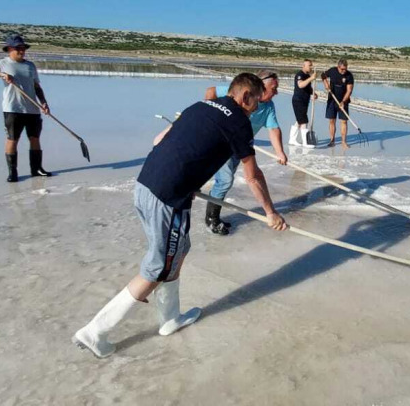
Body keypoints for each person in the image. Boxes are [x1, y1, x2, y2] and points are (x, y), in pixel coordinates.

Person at [72, 73, 287, 359]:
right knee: (157, 268)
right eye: (256, 103)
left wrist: (181, 171)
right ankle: (95, 332)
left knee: (179, 249)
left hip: (146, 183)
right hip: (168, 198)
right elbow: (253, 176)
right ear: (245, 96)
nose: (256, 109)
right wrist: (271, 213)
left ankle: (170, 318)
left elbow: (159, 139)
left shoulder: (200, 106)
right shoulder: (239, 122)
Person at [203, 70, 287, 235]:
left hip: (241, 145)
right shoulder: (240, 91)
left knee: (227, 179)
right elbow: (211, 91)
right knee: (225, 180)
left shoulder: (269, 106)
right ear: (260, 86)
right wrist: (208, 113)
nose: (276, 92)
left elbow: (274, 129)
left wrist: (280, 152)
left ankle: (212, 212)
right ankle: (211, 219)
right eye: (274, 88)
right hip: (223, 141)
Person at [0, 34, 52, 182]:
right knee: (13, 139)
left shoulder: (30, 66)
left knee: (35, 138)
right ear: (10, 49)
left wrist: (44, 102)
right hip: (13, 108)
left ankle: (36, 169)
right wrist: (0, 74)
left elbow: (37, 86)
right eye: (18, 48)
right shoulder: (2, 64)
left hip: (32, 109)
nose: (22, 51)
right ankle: (13, 172)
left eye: (23, 48)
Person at [321, 58, 354, 149]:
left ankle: (344, 142)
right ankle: (332, 140)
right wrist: (326, 84)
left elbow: (349, 90)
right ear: (338, 67)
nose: (344, 71)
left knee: (343, 121)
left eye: (345, 69)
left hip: (344, 101)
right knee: (332, 120)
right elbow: (323, 75)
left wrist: (343, 102)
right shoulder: (332, 71)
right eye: (342, 69)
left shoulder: (349, 76)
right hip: (332, 100)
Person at [289, 59, 319, 148]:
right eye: (309, 65)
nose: (311, 67)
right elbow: (300, 85)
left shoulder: (307, 75)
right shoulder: (299, 74)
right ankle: (306, 142)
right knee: (304, 121)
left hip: (305, 101)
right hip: (298, 100)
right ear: (304, 66)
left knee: (300, 120)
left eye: (311, 65)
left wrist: (314, 94)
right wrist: (311, 78)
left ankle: (292, 139)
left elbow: (308, 88)